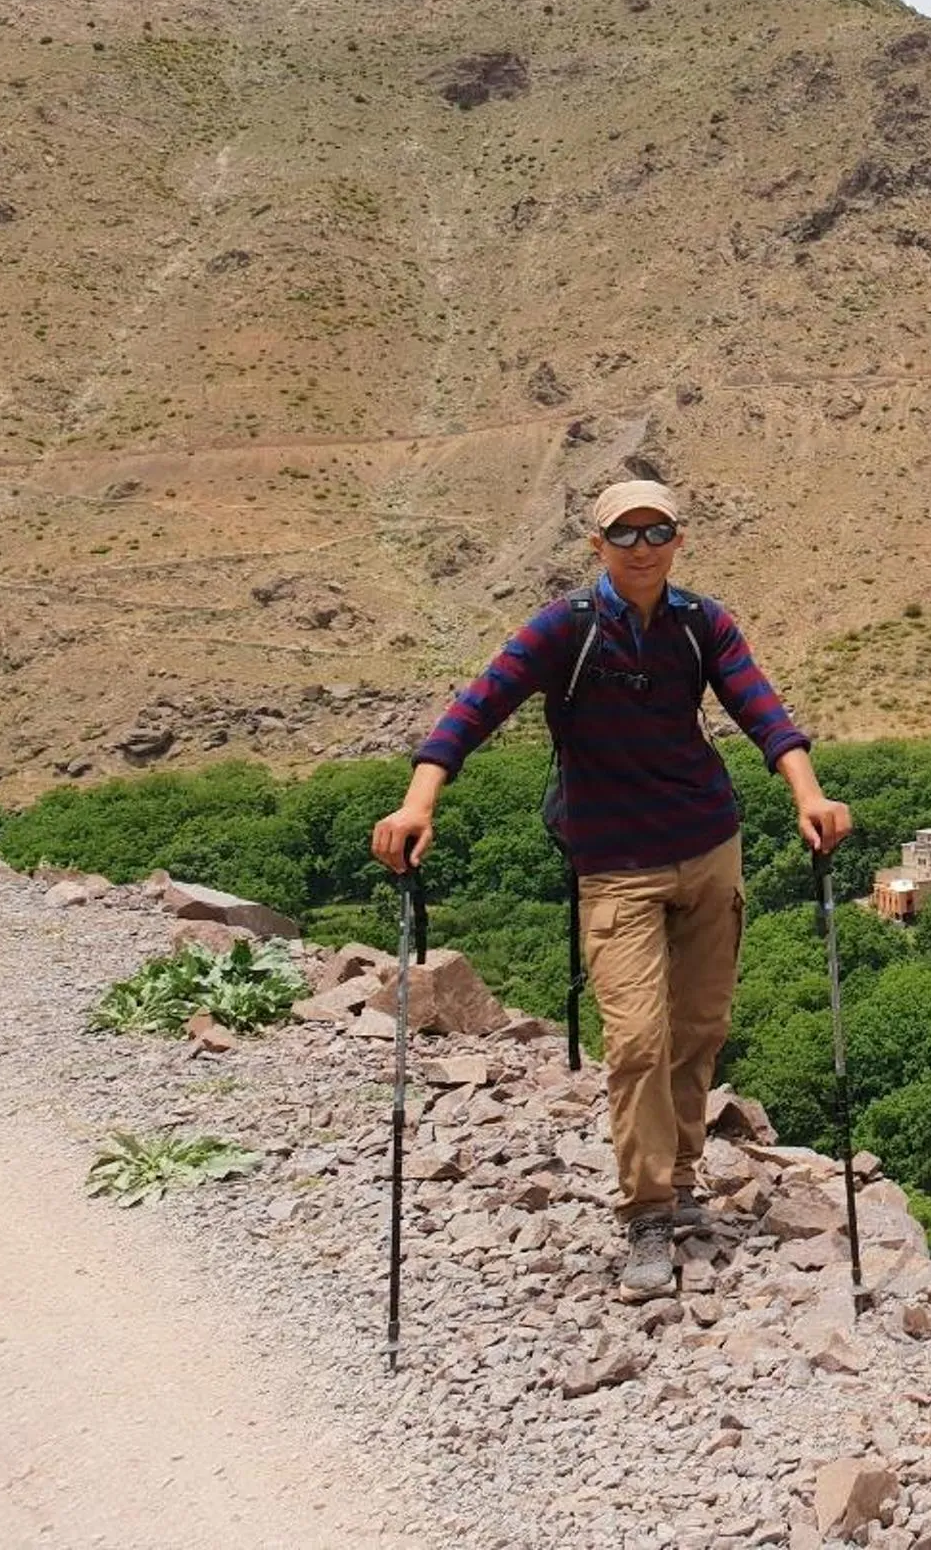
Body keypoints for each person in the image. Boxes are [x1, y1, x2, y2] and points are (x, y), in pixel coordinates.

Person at [370, 479, 851, 1299]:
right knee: (636, 1042)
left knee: (700, 1029)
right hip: (616, 866)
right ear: (596, 546)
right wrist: (419, 803)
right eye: (623, 535)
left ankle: (685, 1177)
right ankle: (648, 1215)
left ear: (677, 539)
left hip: (709, 846)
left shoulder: (703, 625)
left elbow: (762, 710)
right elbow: (473, 709)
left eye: (655, 530)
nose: (641, 547)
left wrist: (808, 793)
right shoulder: (567, 630)